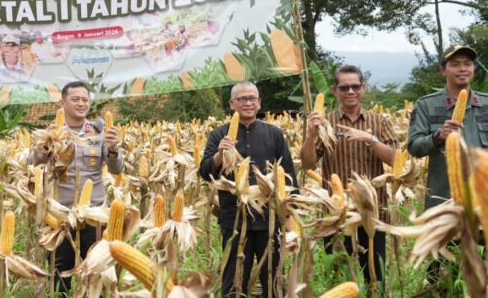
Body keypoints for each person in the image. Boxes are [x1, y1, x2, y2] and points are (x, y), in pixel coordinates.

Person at [300, 65, 396, 288]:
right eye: (344, 87)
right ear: (335, 90)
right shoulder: (325, 123)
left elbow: (395, 159)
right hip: (336, 212)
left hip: (372, 209)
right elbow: (308, 164)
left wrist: (370, 139)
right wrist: (310, 135)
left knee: (374, 273)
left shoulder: (380, 122)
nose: (350, 91)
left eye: (355, 86)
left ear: (364, 88)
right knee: (338, 277)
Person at [198, 81, 297, 297]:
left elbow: (288, 175)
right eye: (242, 99)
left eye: (252, 98)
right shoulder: (218, 135)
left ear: (260, 103)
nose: (248, 103)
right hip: (233, 221)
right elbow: (205, 173)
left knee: (273, 279)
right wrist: (218, 154)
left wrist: (289, 215)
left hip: (269, 220)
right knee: (233, 281)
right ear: (232, 103)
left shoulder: (274, 134)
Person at [28, 81, 123, 294]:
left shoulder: (100, 133)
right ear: (63, 102)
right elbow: (32, 163)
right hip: (61, 217)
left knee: (97, 274)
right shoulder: (51, 133)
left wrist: (114, 148)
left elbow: (117, 169)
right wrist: (45, 148)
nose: (82, 104)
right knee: (60, 276)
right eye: (75, 99)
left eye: (85, 99)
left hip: (94, 216)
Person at [409, 45, 488, 208]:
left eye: (467, 63)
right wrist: (438, 137)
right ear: (443, 70)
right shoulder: (426, 105)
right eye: (455, 64)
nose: (463, 69)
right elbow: (414, 147)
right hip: (444, 200)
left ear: (474, 68)